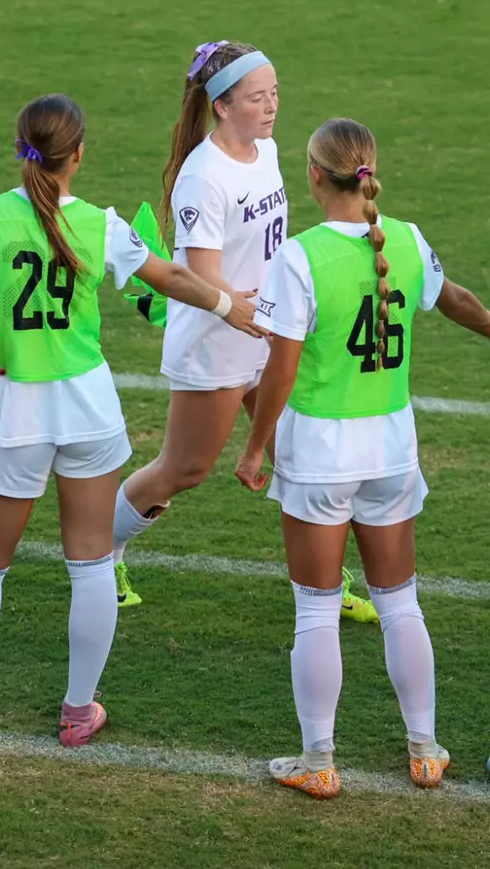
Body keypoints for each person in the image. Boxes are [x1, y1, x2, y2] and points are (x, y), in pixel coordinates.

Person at [0, 94, 263, 746]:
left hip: (14, 414)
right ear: (77, 155)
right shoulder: (99, 225)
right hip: (90, 412)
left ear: (19, 149)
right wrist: (228, 305)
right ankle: (80, 710)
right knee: (92, 564)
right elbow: (169, 278)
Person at [232, 118, 490, 797]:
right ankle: (425, 750)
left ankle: (318, 760)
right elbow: (453, 299)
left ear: (313, 177)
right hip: (391, 449)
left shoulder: (299, 258)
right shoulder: (408, 242)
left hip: (322, 454)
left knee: (315, 608)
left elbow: (280, 369)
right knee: (400, 604)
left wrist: (253, 446)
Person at [110, 40, 376, 621]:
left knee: (299, 457)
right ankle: (99, 553)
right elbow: (202, 277)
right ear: (223, 106)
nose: (272, 106)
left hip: (265, 331)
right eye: (257, 98)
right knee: (185, 469)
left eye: (274, 93)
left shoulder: (267, 149)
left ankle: (327, 584)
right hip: (216, 342)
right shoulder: (203, 178)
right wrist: (243, 308)